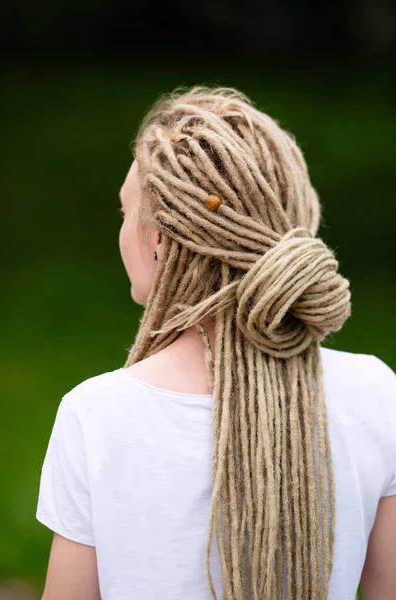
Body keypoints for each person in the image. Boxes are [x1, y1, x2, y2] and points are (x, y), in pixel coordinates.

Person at [35, 86, 396, 600]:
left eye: (124, 213)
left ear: (159, 238)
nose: (121, 230)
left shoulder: (97, 416)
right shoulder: (375, 394)